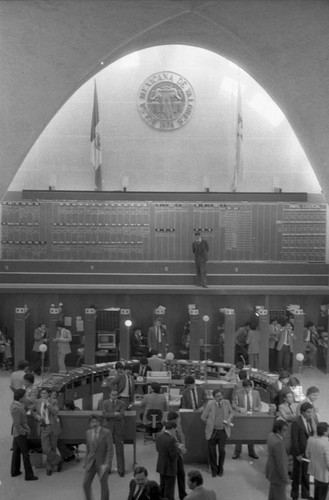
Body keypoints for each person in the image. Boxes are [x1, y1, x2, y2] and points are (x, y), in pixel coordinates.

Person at [30, 387, 63, 476]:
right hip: (43, 427)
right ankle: (59, 460)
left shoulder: (53, 401)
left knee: (53, 448)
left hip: (52, 427)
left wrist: (47, 404)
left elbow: (56, 411)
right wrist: (36, 416)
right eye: (42, 393)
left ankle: (49, 468)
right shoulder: (37, 401)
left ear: (48, 394)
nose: (43, 395)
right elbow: (32, 410)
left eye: (45, 393)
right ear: (40, 394)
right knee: (46, 449)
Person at [201, 388, 233, 477]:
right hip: (213, 432)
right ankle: (214, 470)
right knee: (212, 452)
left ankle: (220, 469)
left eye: (221, 395)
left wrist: (229, 419)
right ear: (214, 397)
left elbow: (231, 412)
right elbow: (203, 417)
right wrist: (210, 424)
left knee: (222, 451)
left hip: (223, 431)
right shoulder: (210, 404)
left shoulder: (226, 402)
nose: (220, 397)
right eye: (217, 396)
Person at [83, 414, 113, 500]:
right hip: (90, 463)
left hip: (102, 463)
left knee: (104, 486)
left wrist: (107, 464)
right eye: (92, 422)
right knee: (85, 484)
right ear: (90, 424)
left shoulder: (106, 432)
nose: (94, 423)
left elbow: (110, 450)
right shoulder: (88, 433)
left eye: (96, 421)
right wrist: (86, 463)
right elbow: (88, 450)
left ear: (100, 422)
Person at [10, 388, 38, 481]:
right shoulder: (16, 408)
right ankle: (29, 475)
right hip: (20, 434)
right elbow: (17, 424)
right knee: (25, 454)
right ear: (21, 398)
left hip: (17, 433)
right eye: (25, 396)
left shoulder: (16, 405)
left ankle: (15, 471)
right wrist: (24, 432)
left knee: (16, 452)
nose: (26, 397)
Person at [231, 379, 262, 459]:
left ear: (251, 387)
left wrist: (257, 409)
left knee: (251, 434)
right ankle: (237, 452)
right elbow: (233, 404)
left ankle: (251, 452)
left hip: (252, 416)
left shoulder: (256, 393)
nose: (246, 389)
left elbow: (259, 404)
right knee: (239, 434)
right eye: (245, 387)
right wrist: (239, 409)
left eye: (248, 387)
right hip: (242, 416)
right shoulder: (238, 392)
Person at [291, 401, 315, 500]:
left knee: (306, 474)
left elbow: (311, 434)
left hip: (308, 453)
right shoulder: (296, 422)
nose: (311, 414)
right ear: (302, 412)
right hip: (299, 453)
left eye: (311, 412)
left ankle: (305, 493)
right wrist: (297, 454)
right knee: (296, 474)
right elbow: (294, 439)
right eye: (309, 412)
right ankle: (294, 494)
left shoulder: (309, 421)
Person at [102, 388, 126, 477]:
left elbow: (121, 415)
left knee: (120, 450)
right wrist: (115, 414)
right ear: (110, 394)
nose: (114, 396)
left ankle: (121, 470)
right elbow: (104, 414)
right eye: (112, 394)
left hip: (119, 428)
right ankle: (107, 469)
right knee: (108, 449)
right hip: (108, 428)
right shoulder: (105, 403)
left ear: (117, 395)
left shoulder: (122, 403)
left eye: (115, 394)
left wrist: (111, 414)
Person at [155, 421, 183, 500]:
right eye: (175, 430)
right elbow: (173, 455)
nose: (175, 432)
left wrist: (174, 447)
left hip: (161, 465)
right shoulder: (171, 439)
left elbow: (158, 449)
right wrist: (179, 449)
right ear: (172, 429)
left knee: (162, 485)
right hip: (170, 467)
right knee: (169, 488)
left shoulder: (159, 436)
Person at [265, 419, 290, 500]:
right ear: (278, 430)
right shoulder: (279, 443)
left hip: (272, 472)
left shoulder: (271, 436)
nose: (286, 433)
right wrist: (285, 478)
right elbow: (281, 463)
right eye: (284, 430)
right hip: (278, 476)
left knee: (272, 496)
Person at [306, 421, 329, 500]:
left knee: (317, 491)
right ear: (325, 431)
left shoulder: (311, 440)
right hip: (324, 473)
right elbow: (328, 461)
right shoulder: (326, 443)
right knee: (322, 494)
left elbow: (307, 454)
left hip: (315, 471)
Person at [167, 411, 187, 500]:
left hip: (179, 455)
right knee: (171, 478)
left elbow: (182, 437)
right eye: (178, 419)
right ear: (173, 420)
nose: (179, 420)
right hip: (173, 456)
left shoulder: (178, 426)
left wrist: (182, 448)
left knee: (181, 474)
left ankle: (182, 494)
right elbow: (172, 443)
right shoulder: (169, 429)